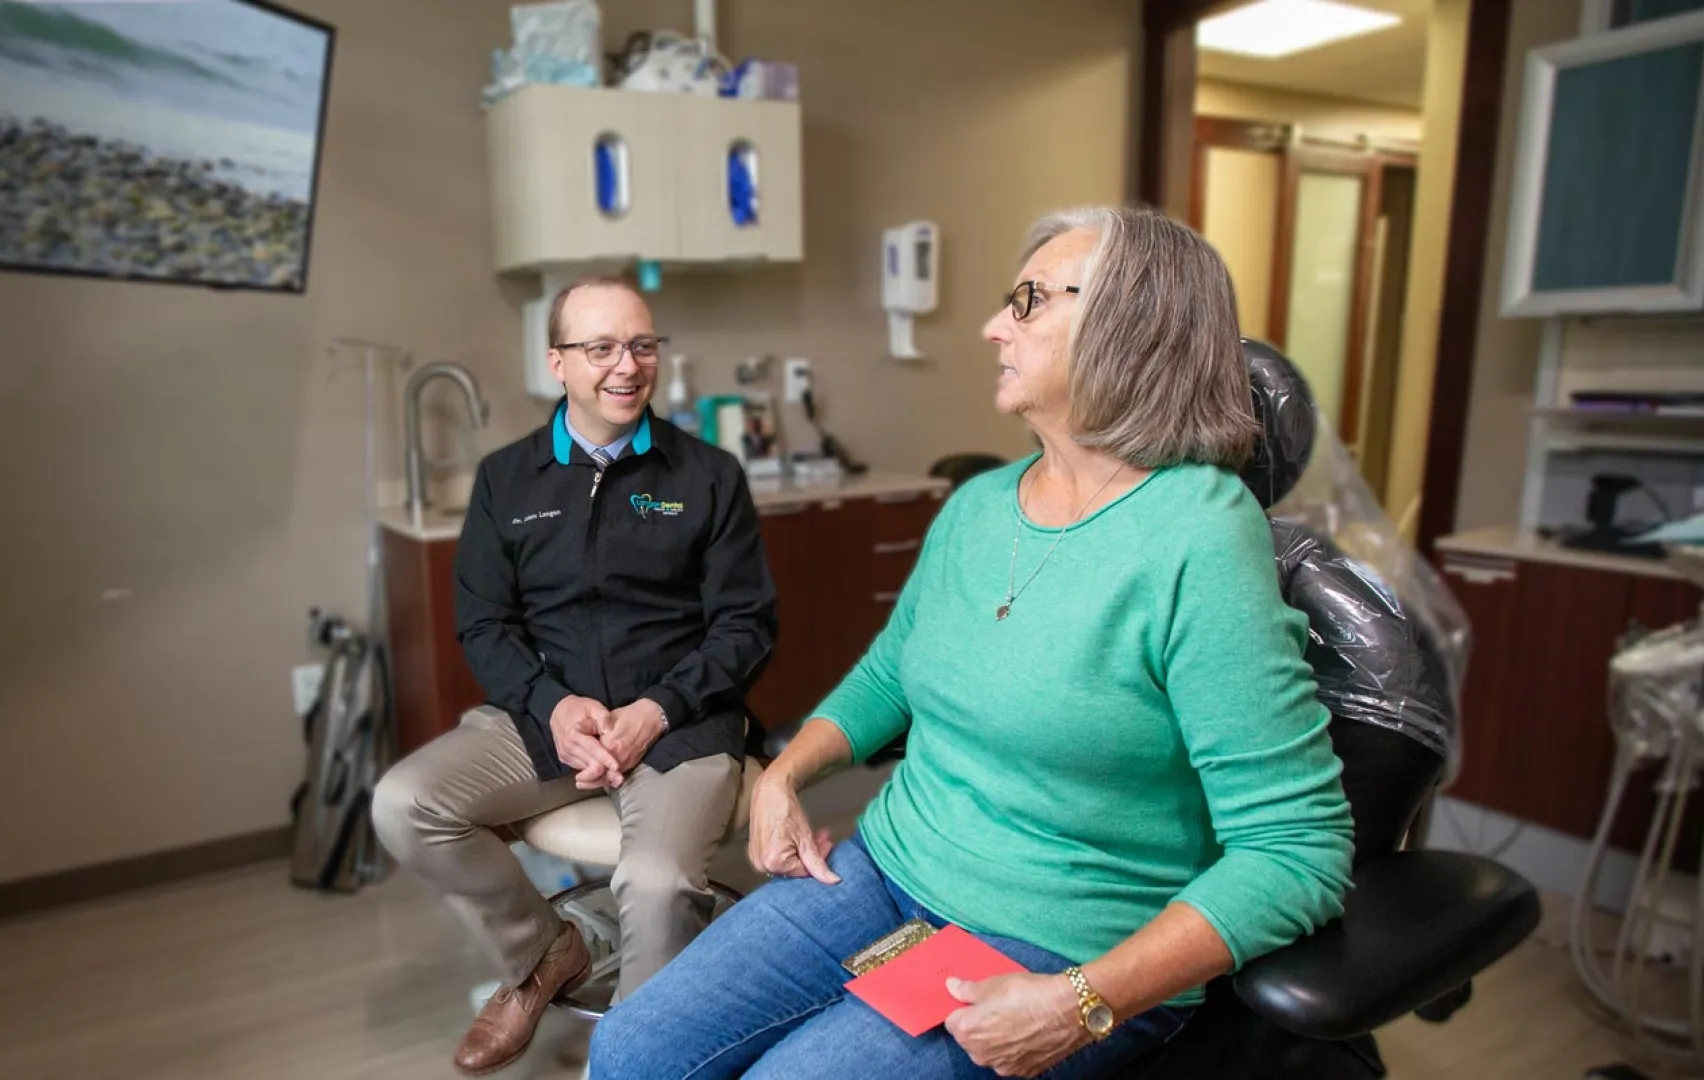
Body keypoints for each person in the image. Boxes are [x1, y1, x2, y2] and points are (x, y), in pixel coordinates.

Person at [589, 206, 1356, 1080]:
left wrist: (1083, 999)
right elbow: (890, 677)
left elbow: (1297, 851)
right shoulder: (981, 506)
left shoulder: (1199, 537)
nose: (995, 325)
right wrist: (787, 774)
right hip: (887, 873)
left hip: (1057, 942)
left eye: (1027, 300)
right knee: (631, 1047)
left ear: (1131, 323)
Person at [370, 276, 777, 1076]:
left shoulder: (707, 476)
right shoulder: (507, 481)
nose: (626, 366)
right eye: (600, 348)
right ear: (557, 362)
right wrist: (553, 707)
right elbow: (485, 624)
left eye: (642, 345)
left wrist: (657, 710)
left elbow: (747, 625)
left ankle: (642, 1058)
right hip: (544, 721)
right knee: (404, 805)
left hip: (681, 724)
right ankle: (541, 957)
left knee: (658, 886)